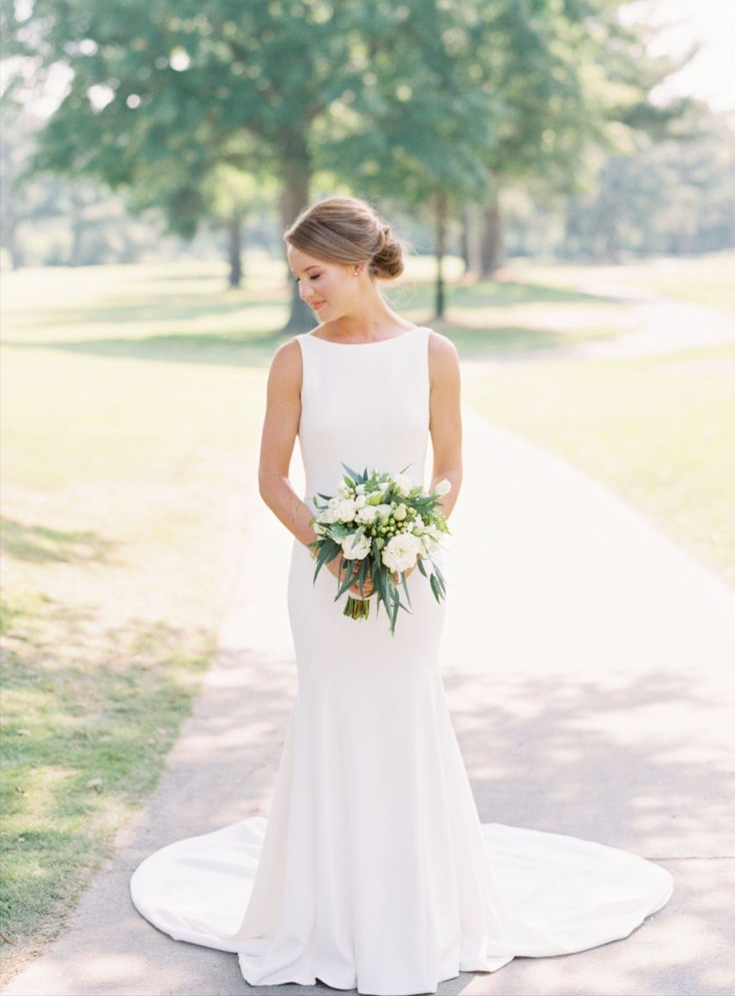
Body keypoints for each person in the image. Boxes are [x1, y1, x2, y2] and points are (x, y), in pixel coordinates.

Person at [130, 196, 673, 995]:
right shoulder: (295, 360)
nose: (306, 291)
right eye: (298, 278)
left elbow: (448, 467)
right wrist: (331, 545)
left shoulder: (432, 354)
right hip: (320, 582)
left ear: (355, 264)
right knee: (331, 712)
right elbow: (271, 478)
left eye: (314, 275)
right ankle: (327, 908)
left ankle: (413, 907)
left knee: (404, 709)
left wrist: (411, 535)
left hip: (412, 579)